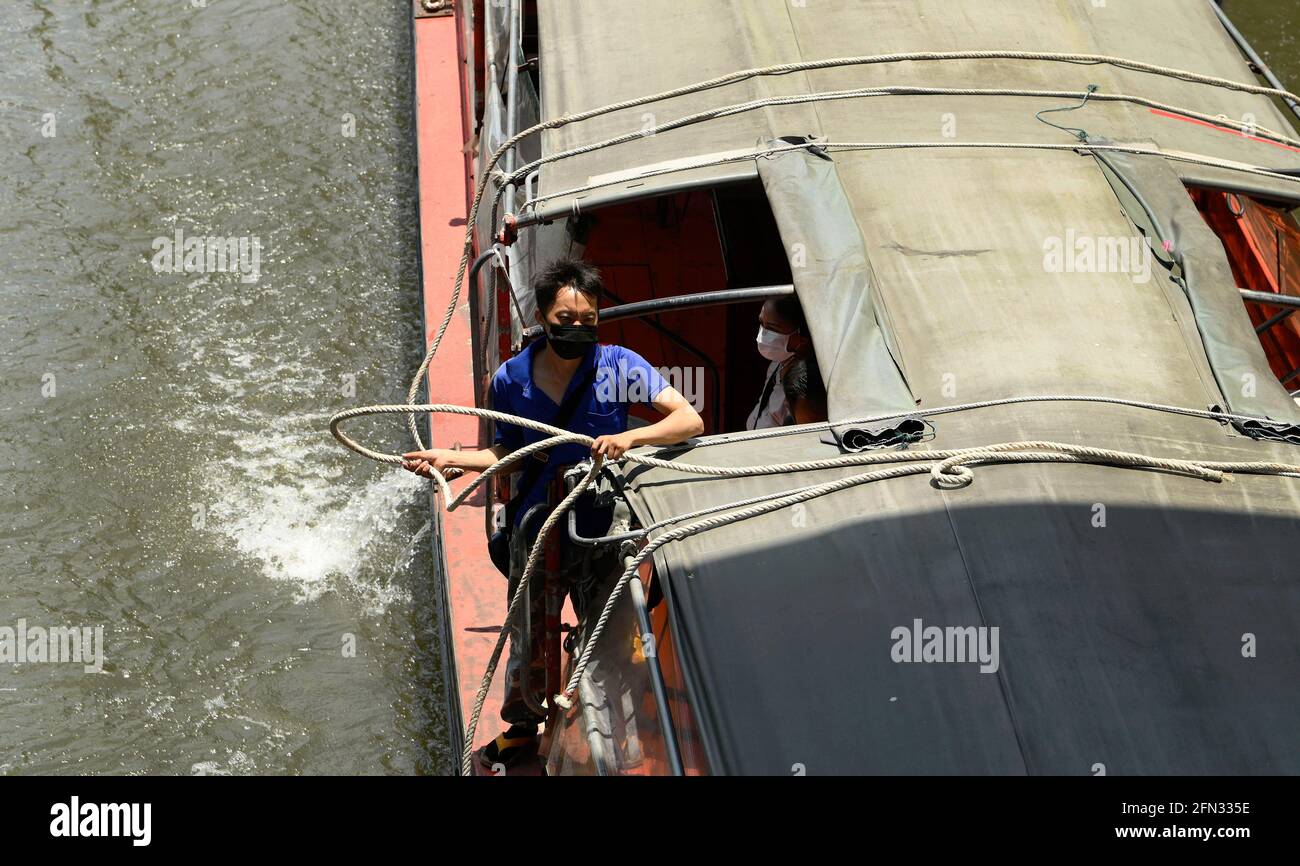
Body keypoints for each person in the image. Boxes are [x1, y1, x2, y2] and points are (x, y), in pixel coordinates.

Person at [401, 257, 703, 768]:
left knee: (607, 625)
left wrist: (631, 436)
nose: (579, 330)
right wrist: (453, 459)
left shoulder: (620, 367)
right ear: (542, 318)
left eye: (589, 320)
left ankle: (610, 724)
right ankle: (523, 728)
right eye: (566, 321)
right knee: (528, 629)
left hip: (603, 524)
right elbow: (505, 453)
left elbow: (688, 420)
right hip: (538, 525)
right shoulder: (511, 381)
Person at [746, 294, 816, 429]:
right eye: (761, 323)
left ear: (801, 336)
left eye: (772, 328)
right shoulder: (777, 363)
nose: (762, 334)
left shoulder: (807, 382)